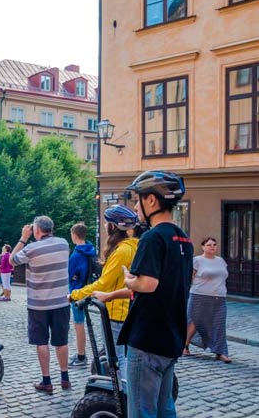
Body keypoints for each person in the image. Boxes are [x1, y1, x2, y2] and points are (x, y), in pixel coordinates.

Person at [118, 170, 193, 418]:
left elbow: (148, 283)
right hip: (171, 337)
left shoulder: (152, 238)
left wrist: (129, 280)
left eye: (137, 199)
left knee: (142, 411)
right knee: (165, 409)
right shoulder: (184, 239)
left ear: (151, 200)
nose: (135, 206)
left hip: (148, 338)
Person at [69, 206, 139, 379]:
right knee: (123, 355)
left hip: (118, 311)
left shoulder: (121, 251)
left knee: (117, 358)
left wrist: (75, 294)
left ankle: (123, 397)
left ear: (113, 226)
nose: (105, 225)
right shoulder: (132, 246)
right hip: (126, 308)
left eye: (107, 222)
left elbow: (104, 284)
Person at [10, 216, 71, 394]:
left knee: (41, 341)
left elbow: (11, 260)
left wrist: (23, 238)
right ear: (51, 228)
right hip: (61, 301)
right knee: (62, 341)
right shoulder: (64, 244)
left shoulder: (31, 249)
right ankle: (65, 377)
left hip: (39, 305)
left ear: (36, 231)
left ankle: (46, 380)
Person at [184, 237, 231, 363]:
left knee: (219, 324)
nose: (212, 247)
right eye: (209, 245)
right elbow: (189, 277)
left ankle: (221, 352)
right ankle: (185, 345)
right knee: (194, 322)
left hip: (219, 297)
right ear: (203, 247)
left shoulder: (221, 261)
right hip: (199, 296)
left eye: (214, 245)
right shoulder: (197, 260)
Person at [66, 223, 97, 368]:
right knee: (81, 324)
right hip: (88, 289)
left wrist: (72, 277)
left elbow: (68, 273)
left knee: (79, 325)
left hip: (78, 292)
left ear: (74, 235)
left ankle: (81, 356)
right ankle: (81, 353)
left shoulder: (77, 254)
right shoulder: (91, 250)